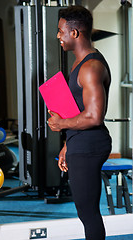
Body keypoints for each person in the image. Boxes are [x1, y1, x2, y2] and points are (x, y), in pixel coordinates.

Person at [48, 6, 111, 240]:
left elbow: (94, 116)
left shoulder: (91, 67)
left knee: (89, 213)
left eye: (60, 31)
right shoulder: (79, 63)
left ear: (74, 33)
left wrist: (62, 124)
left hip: (90, 145)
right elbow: (80, 109)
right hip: (80, 143)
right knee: (85, 211)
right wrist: (67, 145)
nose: (58, 36)